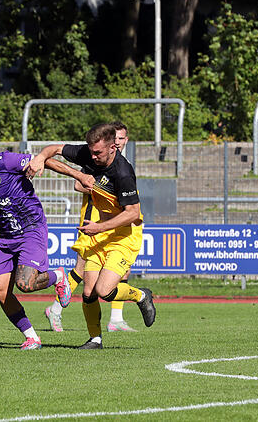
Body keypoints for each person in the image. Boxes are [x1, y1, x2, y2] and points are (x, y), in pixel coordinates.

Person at [0, 133, 93, 350]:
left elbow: (44, 161)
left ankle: (58, 276)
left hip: (31, 226)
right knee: (0, 292)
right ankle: (32, 337)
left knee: (25, 284)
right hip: (6, 235)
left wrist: (79, 176)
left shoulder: (3, 161)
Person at [27, 123, 155, 349]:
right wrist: (39, 157)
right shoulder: (88, 152)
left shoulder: (123, 172)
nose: (93, 156)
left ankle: (140, 296)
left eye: (99, 153)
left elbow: (133, 213)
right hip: (100, 231)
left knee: (104, 291)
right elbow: (54, 150)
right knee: (88, 292)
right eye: (91, 151)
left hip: (124, 235)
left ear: (113, 148)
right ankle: (95, 338)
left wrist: (100, 228)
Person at [44, 121, 137, 332]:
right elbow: (80, 183)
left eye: (122, 139)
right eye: (117, 138)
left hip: (112, 225)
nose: (120, 142)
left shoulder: (122, 165)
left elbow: (129, 206)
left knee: (121, 272)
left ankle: (116, 318)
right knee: (83, 271)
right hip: (92, 218)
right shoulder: (96, 158)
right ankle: (56, 309)